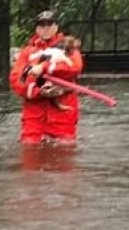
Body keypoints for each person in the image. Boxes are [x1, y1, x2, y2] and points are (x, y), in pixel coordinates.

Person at [9, 10, 84, 146]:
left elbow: (74, 67)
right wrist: (37, 91)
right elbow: (16, 80)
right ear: (37, 28)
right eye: (42, 25)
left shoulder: (68, 48)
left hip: (62, 114)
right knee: (30, 152)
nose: (46, 28)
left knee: (64, 154)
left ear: (56, 27)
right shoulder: (27, 52)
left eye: (50, 24)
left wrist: (44, 67)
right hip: (34, 116)